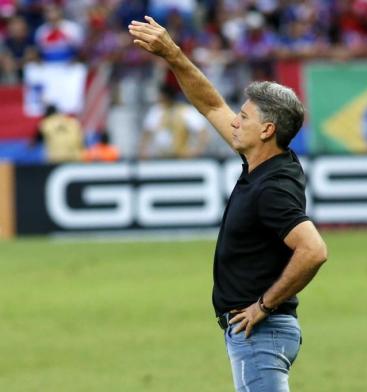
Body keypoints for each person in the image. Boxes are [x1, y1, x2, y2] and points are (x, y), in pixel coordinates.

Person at [129, 16, 328, 391]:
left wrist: (264, 306)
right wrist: (173, 55)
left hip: (262, 333)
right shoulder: (264, 161)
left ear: (267, 130)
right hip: (259, 334)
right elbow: (210, 104)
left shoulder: (273, 187)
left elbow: (314, 250)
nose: (234, 121)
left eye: (244, 116)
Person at [139, 83, 208, 159]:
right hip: (160, 157)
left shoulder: (186, 111)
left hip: (182, 157)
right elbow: (147, 132)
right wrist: (143, 150)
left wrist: (197, 150)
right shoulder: (156, 111)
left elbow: (202, 132)